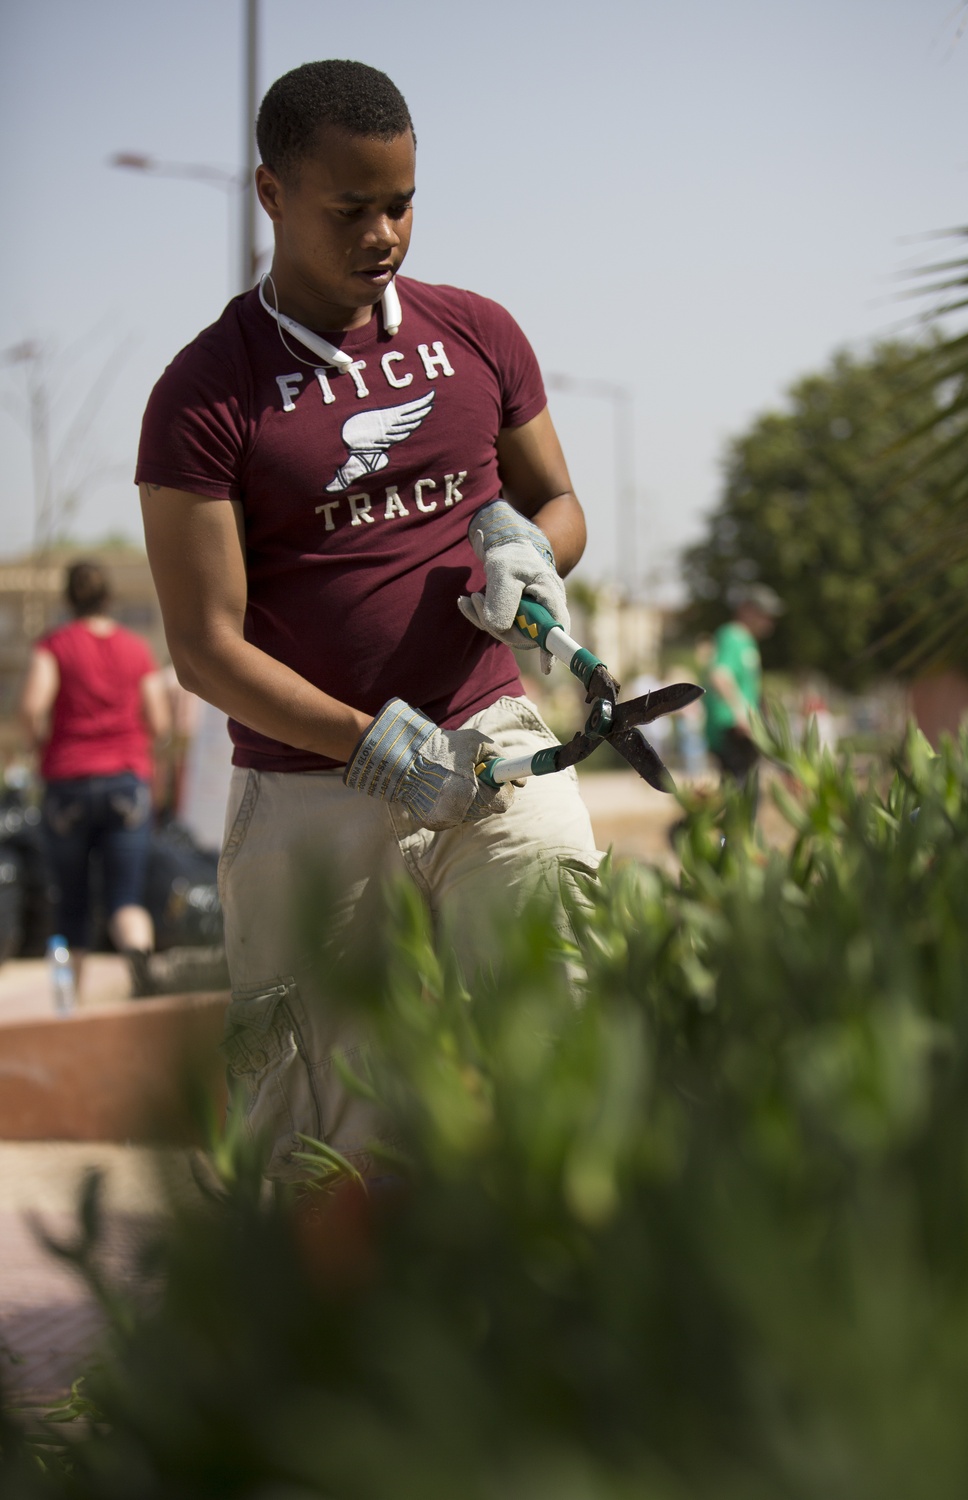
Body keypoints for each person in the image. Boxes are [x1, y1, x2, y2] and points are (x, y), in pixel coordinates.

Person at [135, 59, 601, 1182]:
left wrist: (534, 558)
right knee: (326, 1142)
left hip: (496, 743)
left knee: (570, 1046)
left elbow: (559, 504)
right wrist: (367, 748)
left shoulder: (479, 332)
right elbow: (203, 647)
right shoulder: (202, 395)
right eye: (351, 208)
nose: (384, 232)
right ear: (271, 194)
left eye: (400, 204)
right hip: (312, 791)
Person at [18, 560, 170, 998]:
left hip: (67, 784)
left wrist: (41, 746)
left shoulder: (54, 645)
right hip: (126, 784)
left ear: (69, 599)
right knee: (125, 899)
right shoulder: (136, 649)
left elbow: (31, 708)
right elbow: (159, 722)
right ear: (109, 598)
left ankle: (68, 1002)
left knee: (69, 905)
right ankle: (142, 974)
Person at [702, 583, 783, 791]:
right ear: (746, 609)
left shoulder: (747, 641)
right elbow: (719, 675)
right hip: (731, 726)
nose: (769, 620)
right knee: (740, 793)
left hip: (743, 726)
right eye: (764, 613)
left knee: (747, 789)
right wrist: (740, 713)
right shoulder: (732, 635)